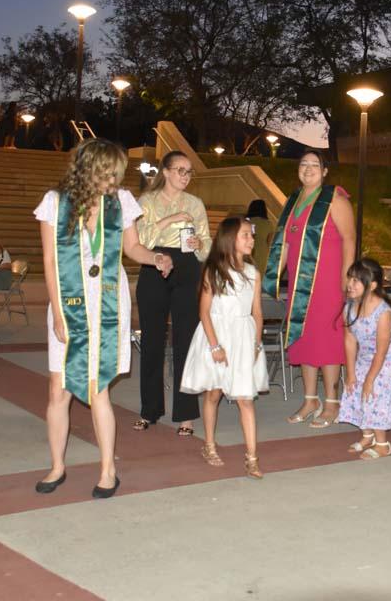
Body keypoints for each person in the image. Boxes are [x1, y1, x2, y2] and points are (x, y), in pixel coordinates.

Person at [33, 139, 174, 498]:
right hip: (68, 301)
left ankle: (108, 470)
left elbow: (131, 248)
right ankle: (57, 466)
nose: (117, 177)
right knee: (58, 390)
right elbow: (49, 260)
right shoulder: (55, 202)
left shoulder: (122, 201)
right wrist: (58, 314)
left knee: (99, 390)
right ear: (91, 167)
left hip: (109, 302)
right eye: (111, 170)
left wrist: (155, 257)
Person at [263, 149, 356, 428]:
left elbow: (350, 240)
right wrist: (268, 276)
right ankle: (310, 399)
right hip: (299, 285)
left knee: (327, 340)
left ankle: (331, 402)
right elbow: (286, 245)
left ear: (325, 171)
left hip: (328, 283)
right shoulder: (294, 201)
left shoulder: (335, 200)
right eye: (303, 164)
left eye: (314, 165)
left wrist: (346, 281)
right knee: (302, 337)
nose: (308, 168)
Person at [180, 217, 269, 479]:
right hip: (216, 336)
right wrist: (214, 345)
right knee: (213, 394)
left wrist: (256, 343)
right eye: (245, 235)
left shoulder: (253, 273)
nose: (251, 240)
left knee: (245, 398)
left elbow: (257, 312)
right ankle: (209, 444)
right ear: (231, 239)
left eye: (251, 236)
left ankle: (252, 457)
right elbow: (204, 312)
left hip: (243, 337)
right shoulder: (214, 271)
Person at [134, 150, 212, 435]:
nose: (185, 176)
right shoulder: (147, 201)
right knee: (152, 341)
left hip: (187, 266)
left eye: (189, 171)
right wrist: (171, 219)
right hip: (153, 264)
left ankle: (186, 415)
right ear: (165, 172)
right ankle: (149, 410)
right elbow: (139, 239)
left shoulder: (196, 203)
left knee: (186, 343)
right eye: (180, 170)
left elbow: (206, 245)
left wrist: (198, 242)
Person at [338, 258, 391, 459]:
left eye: (356, 281)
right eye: (350, 278)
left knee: (374, 391)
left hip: (388, 359)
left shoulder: (383, 312)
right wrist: (350, 373)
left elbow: (382, 352)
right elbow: (349, 340)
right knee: (355, 387)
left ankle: (382, 443)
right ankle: (367, 435)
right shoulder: (349, 308)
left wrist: (369, 379)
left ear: (372, 285)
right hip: (366, 355)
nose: (350, 284)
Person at [244, 199, 273, 277]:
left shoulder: (245, 222)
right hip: (263, 254)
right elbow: (270, 241)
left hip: (247, 253)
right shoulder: (268, 224)